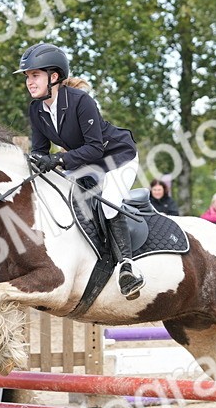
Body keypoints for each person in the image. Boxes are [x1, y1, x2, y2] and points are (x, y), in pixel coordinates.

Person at [17, 43, 144, 299]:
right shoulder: (36, 109)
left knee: (109, 202)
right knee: (60, 195)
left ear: (54, 77)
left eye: (35, 75)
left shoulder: (81, 101)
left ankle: (127, 266)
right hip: (84, 162)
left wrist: (59, 159)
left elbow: (95, 149)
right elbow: (41, 150)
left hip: (117, 157)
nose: (29, 82)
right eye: (28, 77)